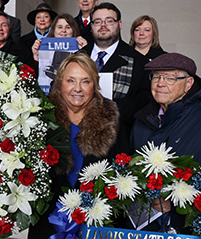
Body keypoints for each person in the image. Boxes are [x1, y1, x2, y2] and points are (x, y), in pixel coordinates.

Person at [28, 51, 127, 238]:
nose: (78, 88)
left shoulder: (111, 118)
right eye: (71, 80)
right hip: (48, 223)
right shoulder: (41, 117)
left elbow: (122, 171)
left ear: (94, 85)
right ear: (60, 83)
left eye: (85, 81)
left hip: (96, 224)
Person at [130, 52, 201, 234]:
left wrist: (174, 202)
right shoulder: (141, 120)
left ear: (188, 84)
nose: (160, 84)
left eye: (170, 78)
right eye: (156, 76)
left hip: (189, 231)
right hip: (145, 229)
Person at [82, 2, 150, 135]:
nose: (103, 25)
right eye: (97, 21)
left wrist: (108, 108)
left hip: (119, 137)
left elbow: (143, 102)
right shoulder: (77, 57)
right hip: (78, 135)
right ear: (91, 26)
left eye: (109, 21)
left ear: (119, 25)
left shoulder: (138, 61)